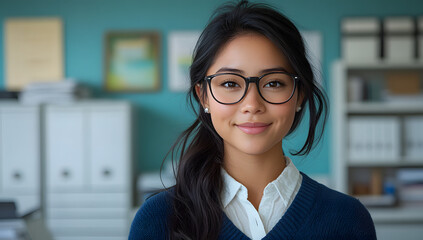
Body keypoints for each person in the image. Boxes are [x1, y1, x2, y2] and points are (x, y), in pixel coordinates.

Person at [129, 1, 376, 239]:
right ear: (203, 96)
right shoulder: (158, 220)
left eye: (274, 83)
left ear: (299, 94)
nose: (252, 105)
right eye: (229, 83)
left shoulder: (348, 219)